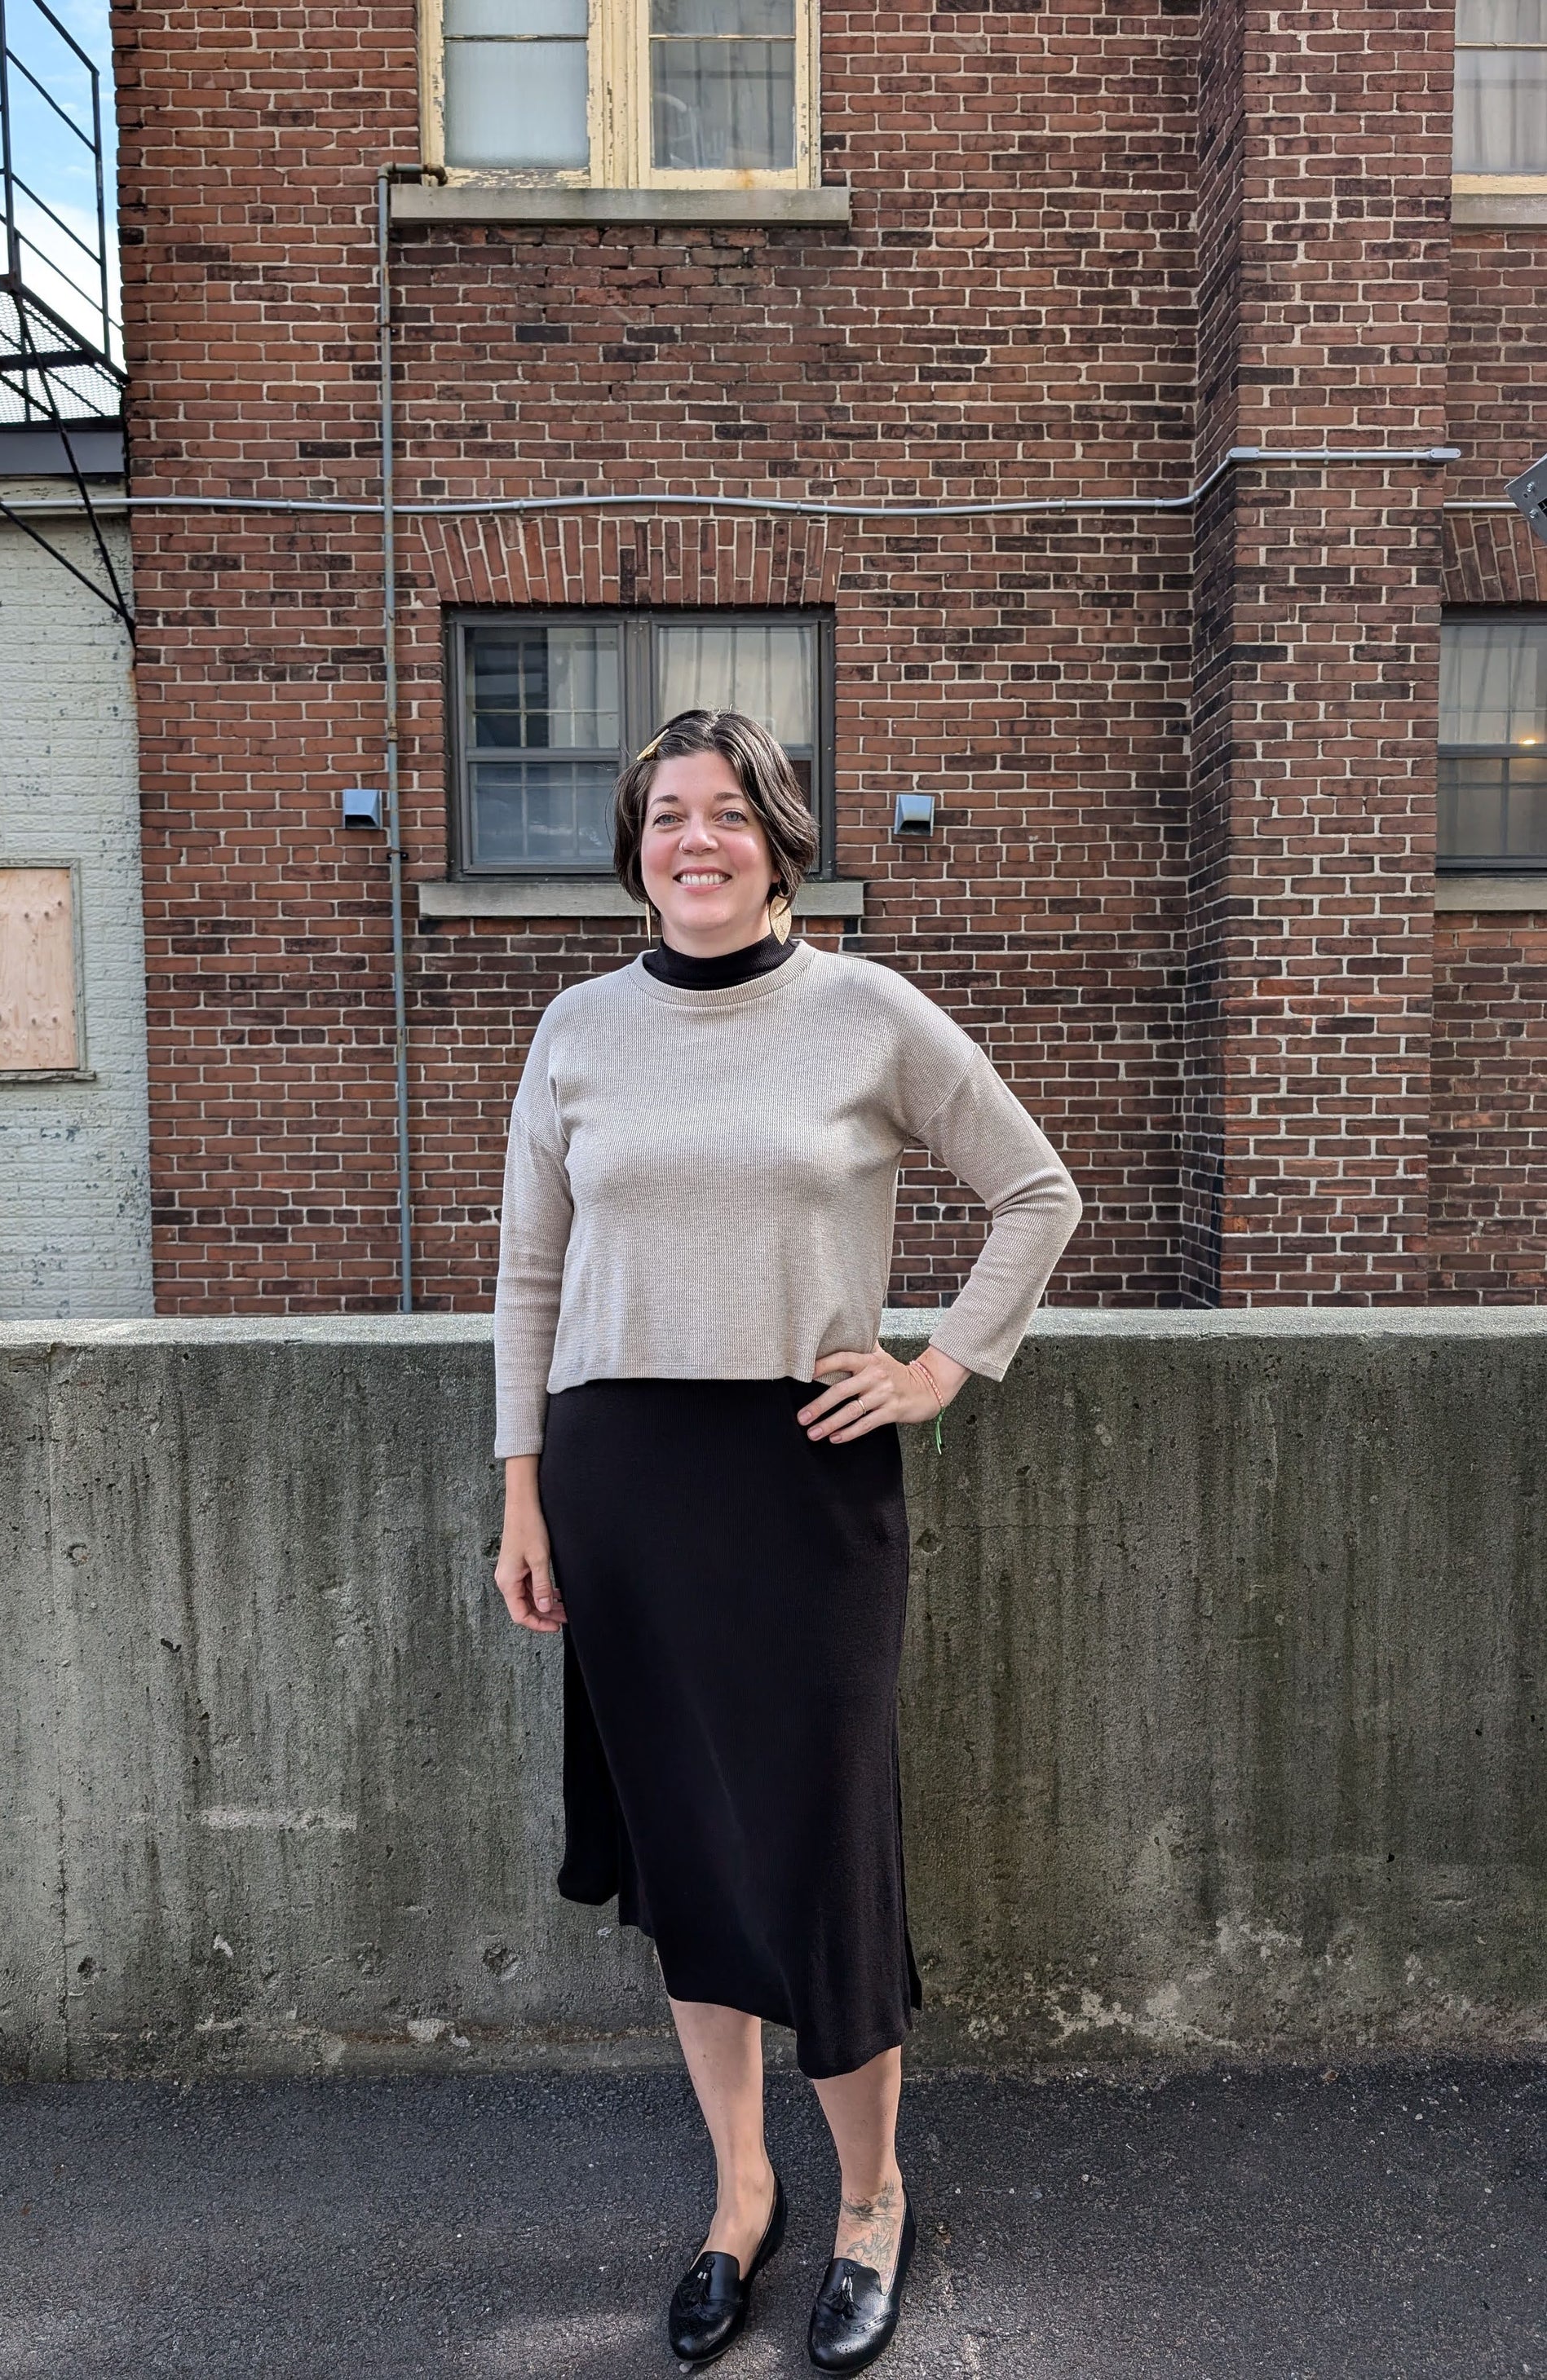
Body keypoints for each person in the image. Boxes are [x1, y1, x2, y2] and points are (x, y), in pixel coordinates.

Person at [493, 708, 1081, 2373]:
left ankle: (870, 2195)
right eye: (667, 813)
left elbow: (1036, 1191)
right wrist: (523, 1491)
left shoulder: (863, 1012)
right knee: (687, 1848)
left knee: (820, 1853)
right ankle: (739, 2190)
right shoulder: (578, 1028)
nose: (696, 838)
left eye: (727, 812)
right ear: (635, 845)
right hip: (621, 1482)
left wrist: (938, 1365)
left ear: (780, 837)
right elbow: (528, 1277)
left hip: (802, 1478)